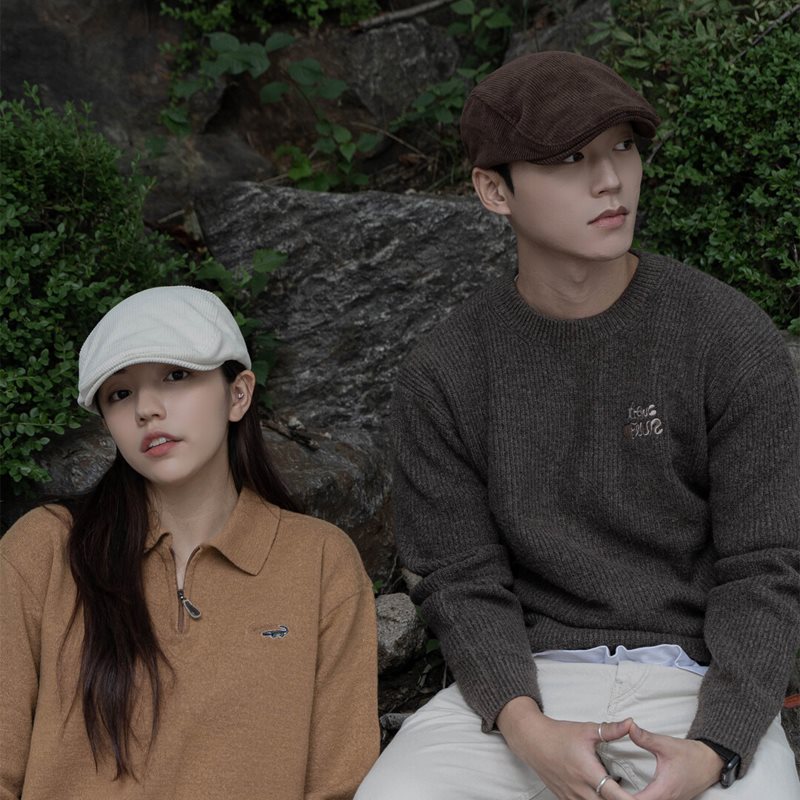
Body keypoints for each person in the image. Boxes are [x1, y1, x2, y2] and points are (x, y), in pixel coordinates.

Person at [355, 51, 800, 800]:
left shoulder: (727, 339)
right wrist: (527, 728)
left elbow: (767, 564)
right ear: (494, 190)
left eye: (623, 146)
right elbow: (460, 580)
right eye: (569, 158)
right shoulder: (446, 371)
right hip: (528, 683)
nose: (610, 180)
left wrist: (716, 745)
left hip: (697, 679)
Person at [0, 286, 379, 800]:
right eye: (119, 394)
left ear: (238, 394)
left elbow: (339, 783)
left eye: (176, 376)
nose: (146, 410)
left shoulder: (320, 561)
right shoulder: (43, 549)